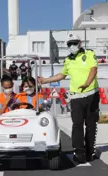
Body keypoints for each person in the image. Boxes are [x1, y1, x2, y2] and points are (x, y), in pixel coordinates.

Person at [38, 33, 100, 163]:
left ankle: (90, 151)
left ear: (80, 43)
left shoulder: (89, 54)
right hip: (76, 97)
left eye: (74, 43)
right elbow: (62, 75)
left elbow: (93, 69)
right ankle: (79, 152)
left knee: (91, 125)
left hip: (91, 95)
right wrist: (45, 80)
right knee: (77, 124)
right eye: (69, 44)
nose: (72, 46)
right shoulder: (68, 60)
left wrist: (87, 83)